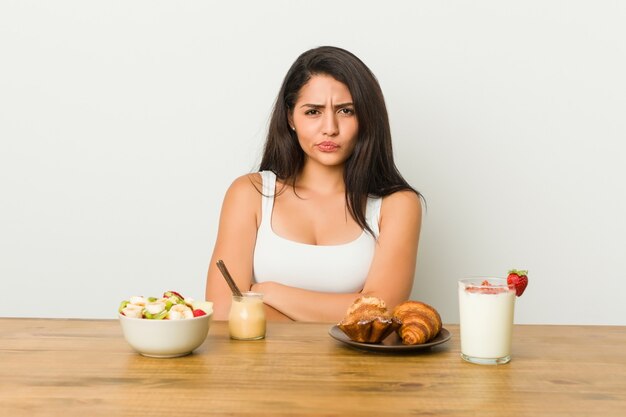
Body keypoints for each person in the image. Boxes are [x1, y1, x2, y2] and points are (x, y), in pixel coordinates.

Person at [205, 46, 422, 322]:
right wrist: (348, 310)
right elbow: (223, 313)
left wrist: (268, 293)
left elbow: (380, 312)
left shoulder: (397, 205)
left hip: (359, 366)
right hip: (260, 366)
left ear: (366, 119)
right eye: (312, 112)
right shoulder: (249, 193)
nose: (329, 127)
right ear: (290, 118)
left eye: (346, 110)